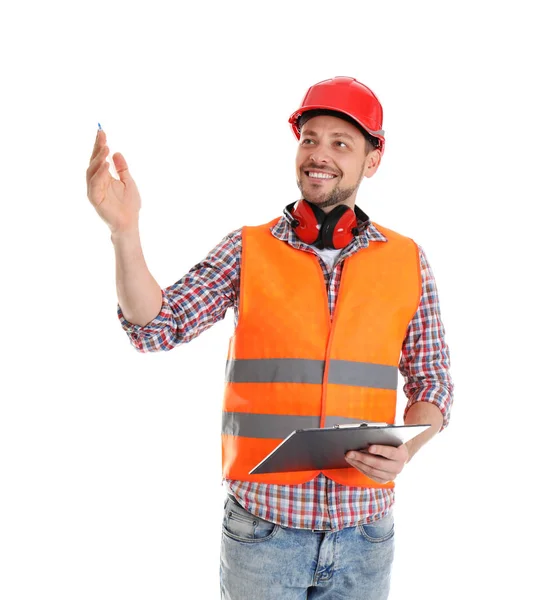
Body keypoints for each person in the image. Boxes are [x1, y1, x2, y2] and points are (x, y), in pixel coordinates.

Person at [86, 76, 453, 599]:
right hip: (264, 532)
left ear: (372, 160)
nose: (319, 154)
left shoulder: (407, 260)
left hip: (366, 534)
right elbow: (155, 326)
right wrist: (124, 231)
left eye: (340, 143)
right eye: (309, 139)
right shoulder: (247, 249)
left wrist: (410, 447)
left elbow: (434, 381)